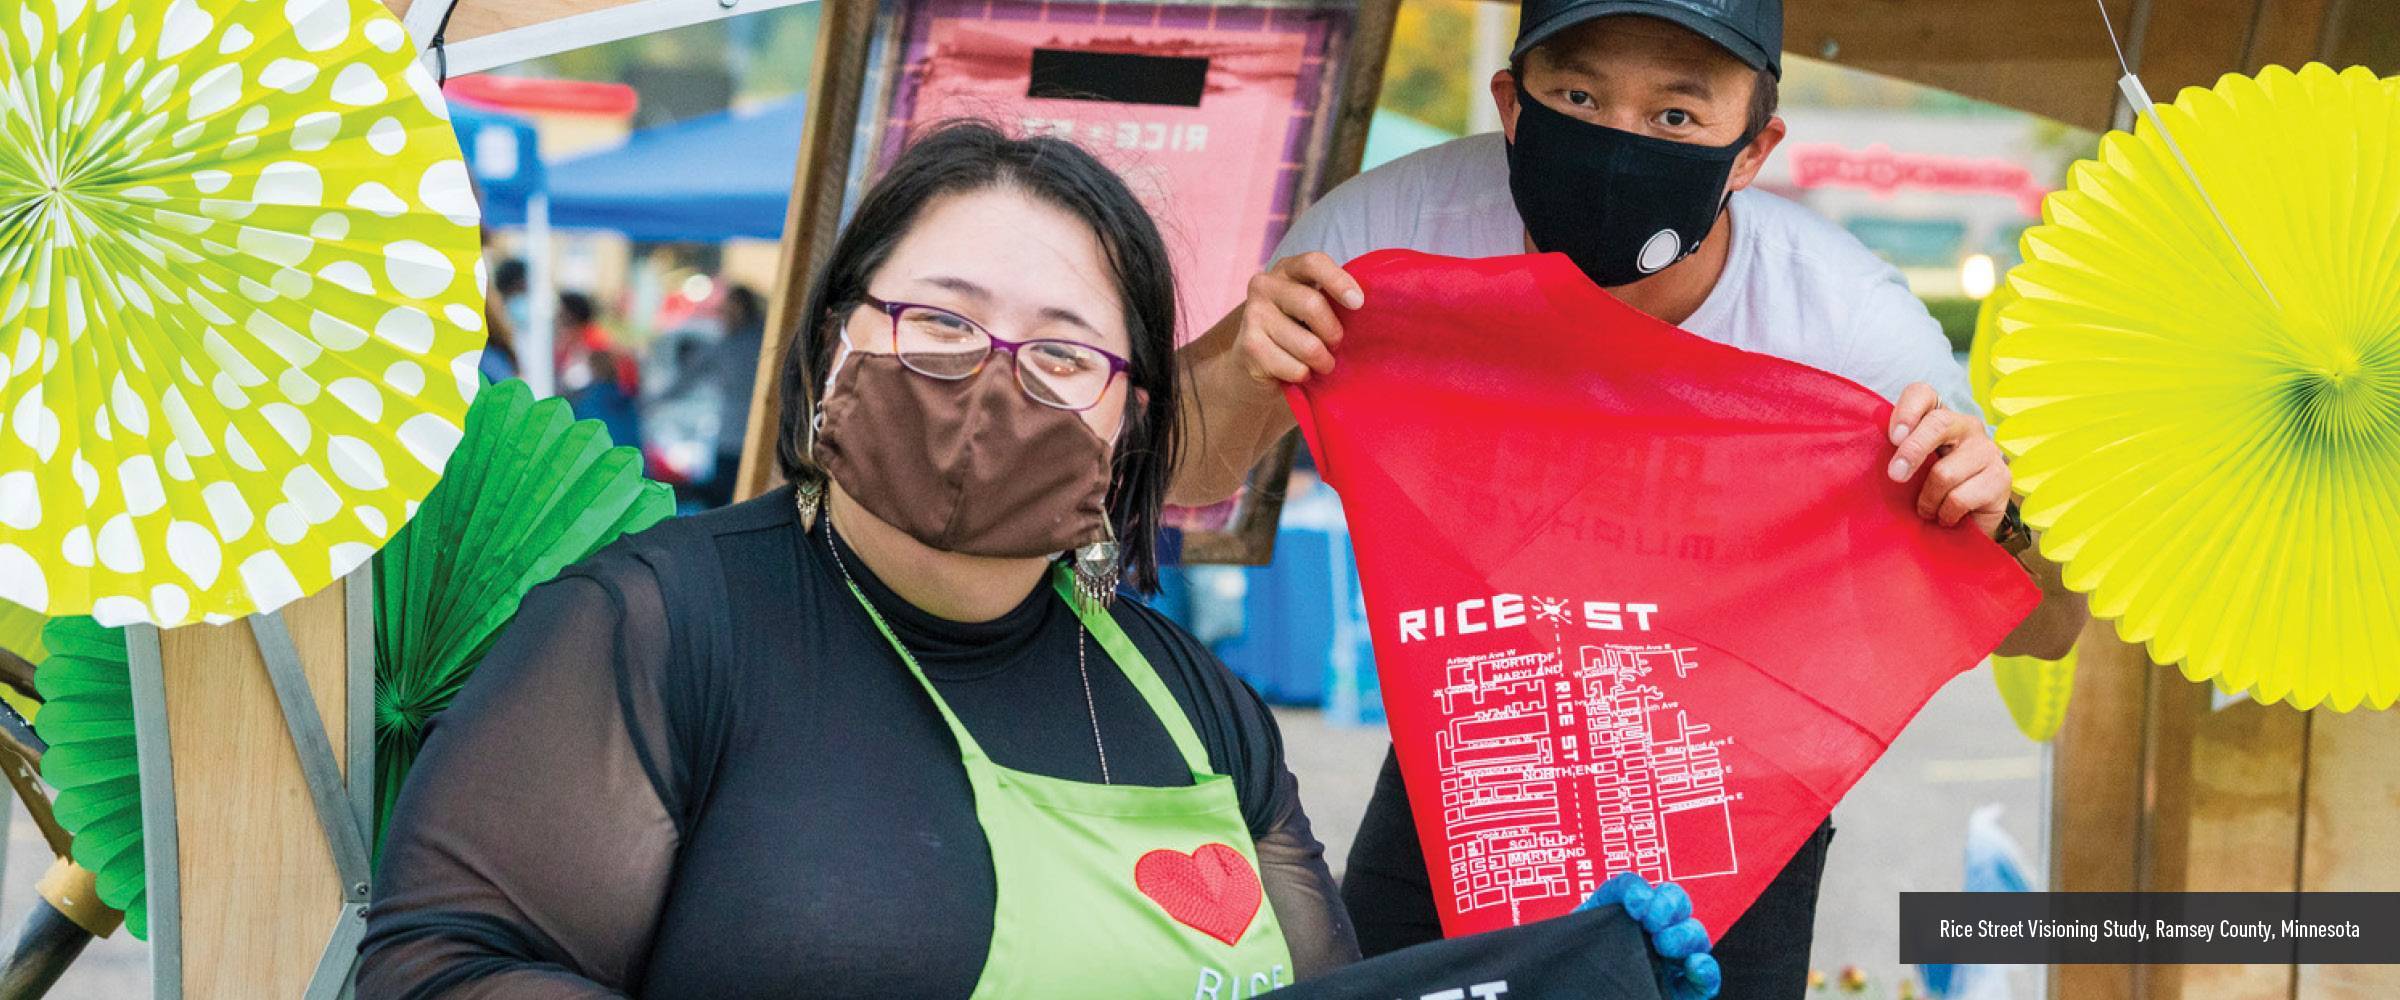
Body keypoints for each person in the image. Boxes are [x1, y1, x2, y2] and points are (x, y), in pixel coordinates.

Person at [360, 122, 1711, 1000]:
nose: (991, 385)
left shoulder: (1201, 710)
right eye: (939, 322)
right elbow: (440, 969)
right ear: (836, 340)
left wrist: (1556, 979)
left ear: (1132, 415)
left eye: (1063, 354)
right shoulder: (662, 629)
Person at [1168, 0, 2091, 996]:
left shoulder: (1845, 327)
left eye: (1678, 118)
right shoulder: (1385, 240)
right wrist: (1241, 364)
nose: (1620, 140)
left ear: (1753, 148)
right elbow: (1180, 473)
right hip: (1472, 767)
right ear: (1512, 105)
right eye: (1579, 95)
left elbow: (2043, 627)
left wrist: (1998, 516)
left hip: (1737, 806)